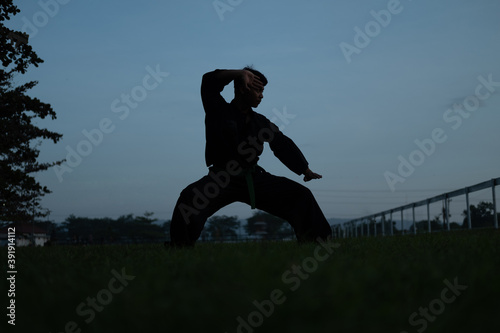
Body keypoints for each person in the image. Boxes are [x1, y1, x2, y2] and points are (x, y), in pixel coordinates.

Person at [169, 67, 332, 247]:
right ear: (243, 88)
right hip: (221, 179)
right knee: (190, 199)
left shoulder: (260, 122)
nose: (262, 96)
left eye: (263, 91)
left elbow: (281, 144)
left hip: (254, 178)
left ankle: (317, 244)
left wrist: (304, 169)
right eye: (258, 90)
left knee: (301, 196)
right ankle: (180, 247)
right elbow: (208, 82)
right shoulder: (217, 109)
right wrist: (239, 73)